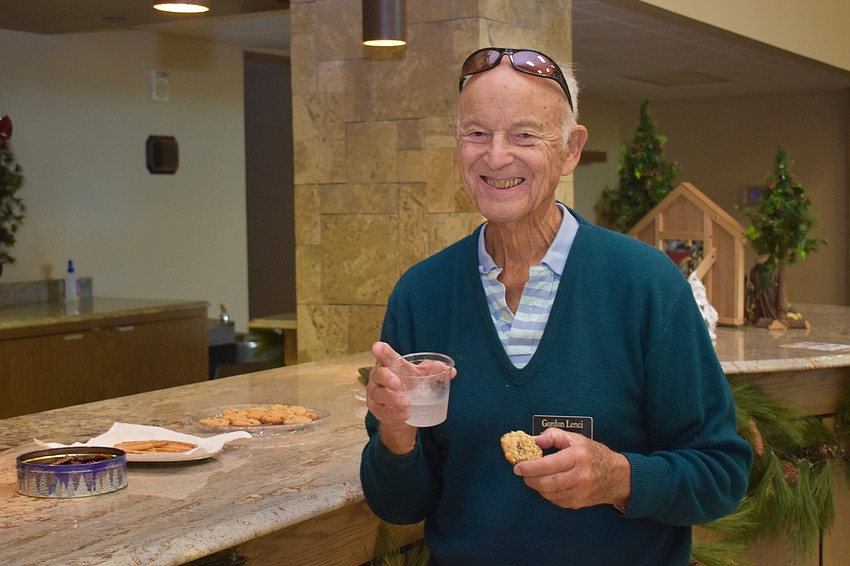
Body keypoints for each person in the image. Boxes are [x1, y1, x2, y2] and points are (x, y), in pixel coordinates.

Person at [360, 47, 752, 565]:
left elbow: (722, 475)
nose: (496, 156)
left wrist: (620, 479)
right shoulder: (422, 293)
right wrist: (396, 437)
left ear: (571, 149)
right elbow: (398, 505)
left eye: (524, 135)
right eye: (477, 133)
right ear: (457, 143)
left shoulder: (646, 285)